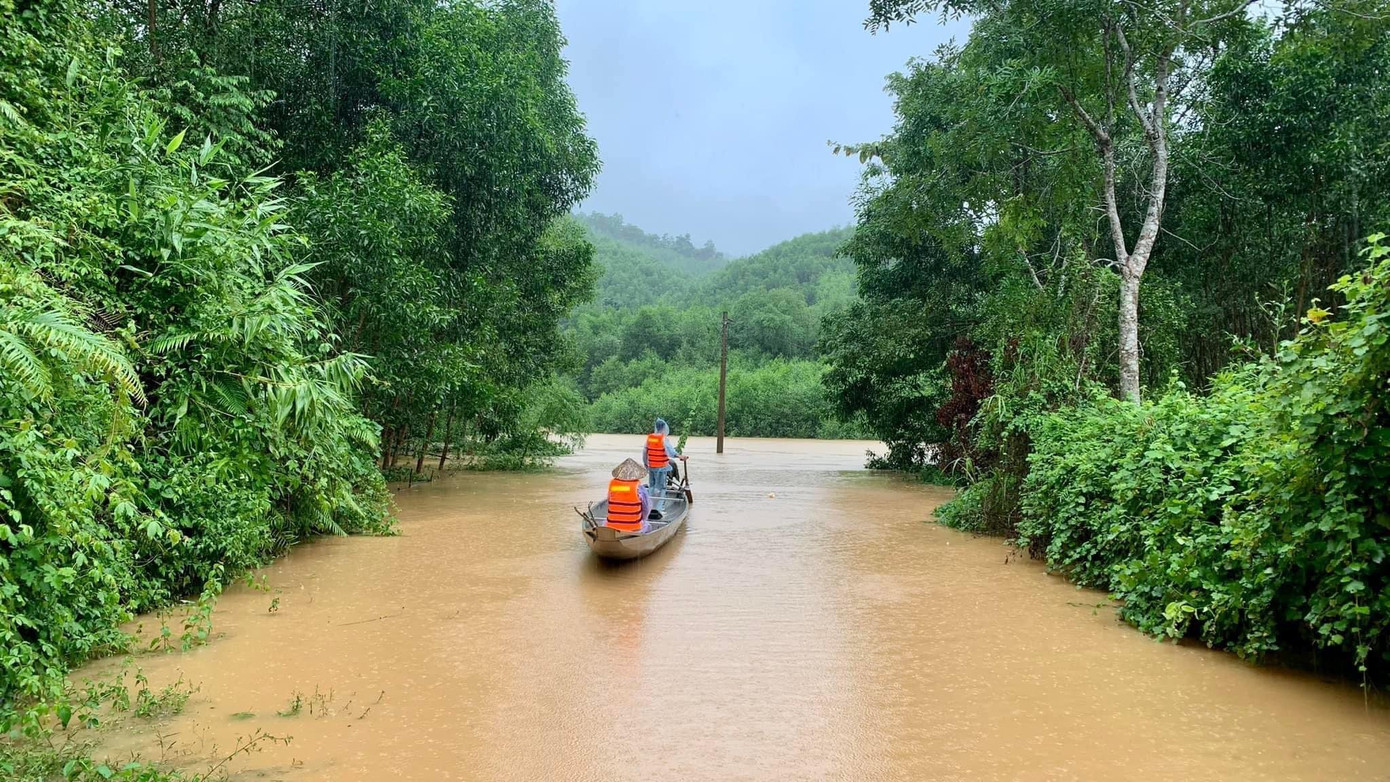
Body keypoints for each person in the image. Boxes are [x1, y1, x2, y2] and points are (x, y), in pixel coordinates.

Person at [642, 418, 687, 511]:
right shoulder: (663, 439)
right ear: (663, 428)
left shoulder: (650, 438)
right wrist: (680, 456)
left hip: (651, 466)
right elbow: (670, 452)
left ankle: (649, 507)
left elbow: (644, 451)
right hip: (661, 467)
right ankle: (659, 508)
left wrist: (646, 464)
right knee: (662, 487)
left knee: (652, 486)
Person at [607, 458, 652, 533]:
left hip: (612, 527)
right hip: (633, 528)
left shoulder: (613, 484)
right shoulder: (638, 487)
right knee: (647, 525)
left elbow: (609, 503)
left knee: (605, 521)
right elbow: (646, 508)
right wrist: (643, 519)